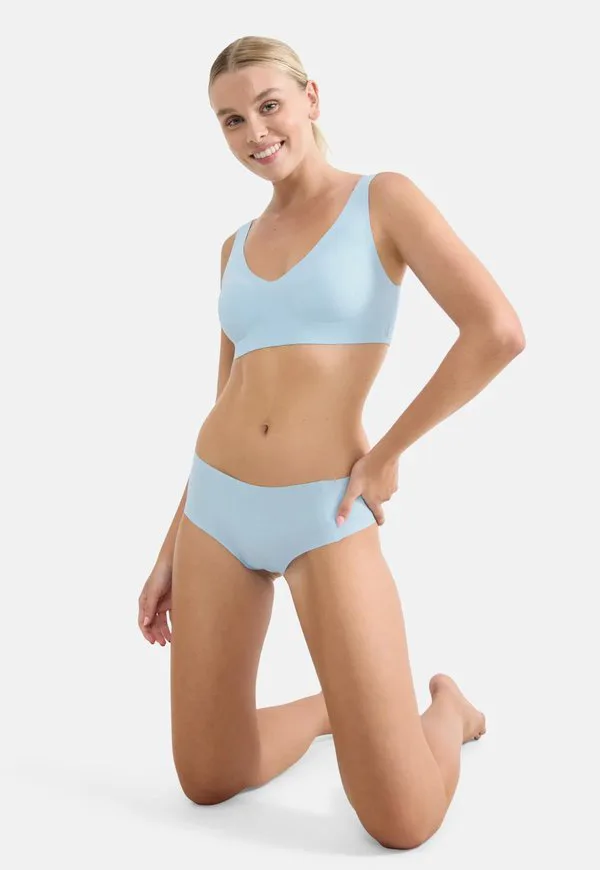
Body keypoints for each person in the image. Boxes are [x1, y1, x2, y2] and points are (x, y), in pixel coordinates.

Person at [137, 35, 525, 850]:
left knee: (402, 823)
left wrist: (386, 455)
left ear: (310, 99)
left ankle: (446, 712)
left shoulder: (382, 200)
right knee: (208, 777)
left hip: (326, 509)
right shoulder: (234, 247)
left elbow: (496, 331)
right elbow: (227, 396)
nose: (255, 133)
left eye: (268, 106)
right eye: (231, 120)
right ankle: (329, 711)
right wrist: (171, 544)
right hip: (215, 511)